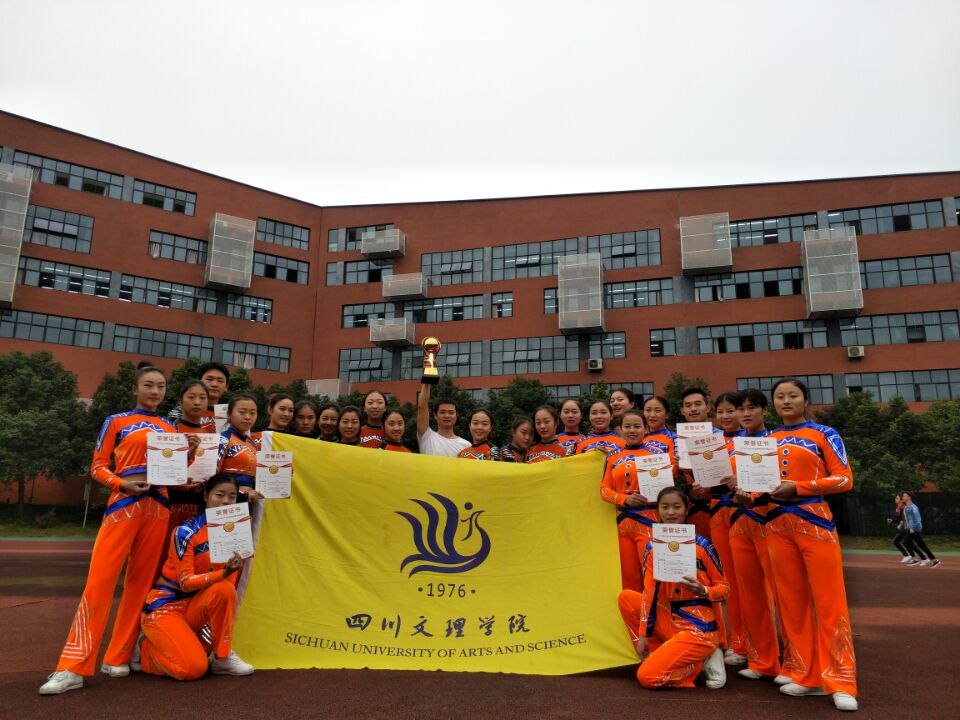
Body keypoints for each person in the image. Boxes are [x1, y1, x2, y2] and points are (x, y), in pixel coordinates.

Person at [40, 366, 183, 695]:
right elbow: (97, 466)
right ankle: (73, 666)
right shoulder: (116, 421)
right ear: (135, 388)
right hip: (123, 506)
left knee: (140, 585)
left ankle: (118, 655)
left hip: (159, 508)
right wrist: (121, 484)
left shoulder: (170, 428)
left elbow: (175, 473)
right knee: (99, 583)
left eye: (161, 386)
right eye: (148, 385)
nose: (155, 391)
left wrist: (188, 453)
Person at [767, 378, 858, 712]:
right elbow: (759, 483)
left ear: (805, 400)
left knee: (830, 603)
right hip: (776, 526)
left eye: (793, 395)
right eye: (780, 396)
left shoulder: (824, 434)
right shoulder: (766, 440)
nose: (786, 401)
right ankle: (807, 676)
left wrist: (799, 487)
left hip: (815, 523)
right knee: (792, 603)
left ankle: (842, 680)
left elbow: (844, 478)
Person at [138, 473, 254, 680]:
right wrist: (224, 572)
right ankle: (147, 651)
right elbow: (186, 583)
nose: (226, 501)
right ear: (206, 496)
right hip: (166, 606)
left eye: (232, 496)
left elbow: (225, 588)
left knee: (225, 589)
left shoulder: (236, 532)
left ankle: (222, 657)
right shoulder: (185, 532)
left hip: (194, 607)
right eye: (220, 494)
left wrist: (229, 571)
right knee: (194, 669)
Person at [617, 487, 729, 690]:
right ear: (657, 511)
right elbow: (649, 593)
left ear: (686, 509)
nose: (671, 512)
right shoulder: (652, 548)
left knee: (647, 677)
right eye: (665, 507)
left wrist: (704, 591)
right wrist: (643, 636)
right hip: (669, 618)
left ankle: (697, 663)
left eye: (677, 507)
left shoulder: (703, 545)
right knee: (626, 598)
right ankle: (660, 655)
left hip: (698, 626)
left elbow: (724, 588)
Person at [727, 388, 792, 684]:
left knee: (782, 594)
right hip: (739, 521)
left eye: (752, 408)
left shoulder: (776, 442)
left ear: (765, 410)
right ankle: (763, 660)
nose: (745, 414)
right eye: (740, 409)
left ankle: (794, 664)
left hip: (770, 521)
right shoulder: (731, 446)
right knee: (750, 593)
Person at [700, 391, 749, 667]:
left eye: (732, 411)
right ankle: (736, 641)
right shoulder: (712, 443)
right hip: (718, 510)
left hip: (749, 512)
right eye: (721, 412)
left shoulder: (754, 439)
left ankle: (759, 645)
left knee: (750, 581)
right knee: (727, 579)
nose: (726, 416)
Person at [600, 409, 662, 591]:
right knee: (629, 578)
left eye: (637, 426)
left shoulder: (656, 454)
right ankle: (633, 610)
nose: (632, 430)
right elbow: (603, 490)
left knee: (653, 577)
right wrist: (625, 499)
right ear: (620, 430)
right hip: (623, 526)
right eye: (627, 426)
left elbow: (665, 490)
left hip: (650, 522)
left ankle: (655, 610)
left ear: (646, 429)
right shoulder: (612, 457)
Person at [678, 387, 717, 544]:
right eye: (688, 405)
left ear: (708, 407)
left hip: (719, 507)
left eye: (698, 404)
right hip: (687, 511)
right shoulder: (675, 440)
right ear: (682, 411)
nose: (693, 409)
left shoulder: (721, 436)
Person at [216, 393, 263, 502]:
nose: (247, 417)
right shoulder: (223, 440)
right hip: (227, 503)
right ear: (229, 414)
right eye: (242, 412)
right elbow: (211, 479)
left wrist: (279, 473)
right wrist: (242, 496)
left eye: (252, 413)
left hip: (249, 502)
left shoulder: (252, 443)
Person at [167, 361, 230, 431]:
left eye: (220, 381)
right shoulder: (180, 412)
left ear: (226, 386)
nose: (214, 384)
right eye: (209, 379)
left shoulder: (229, 414)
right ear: (199, 381)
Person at [416, 382, 470, 457]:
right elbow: (422, 406)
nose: (447, 416)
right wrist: (428, 380)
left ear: (456, 416)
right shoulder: (426, 436)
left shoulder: (466, 446)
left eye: (451, 412)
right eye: (442, 412)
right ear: (435, 415)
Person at [901, 491, 940, 567]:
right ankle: (934, 560)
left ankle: (915, 559)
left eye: (904, 496)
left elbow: (918, 519)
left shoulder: (913, 507)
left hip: (914, 529)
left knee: (906, 542)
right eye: (902, 496)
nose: (902, 497)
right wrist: (903, 525)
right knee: (921, 545)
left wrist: (913, 528)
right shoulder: (906, 507)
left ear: (909, 497)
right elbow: (906, 519)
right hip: (910, 529)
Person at [641, 396, 678, 467]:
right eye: (648, 410)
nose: (652, 415)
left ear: (667, 414)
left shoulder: (674, 438)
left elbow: (674, 467)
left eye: (657, 411)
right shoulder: (638, 439)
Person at [887, 493, 918, 564]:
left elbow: (905, 519)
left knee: (896, 541)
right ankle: (915, 557)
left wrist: (901, 524)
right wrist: (892, 521)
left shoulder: (903, 507)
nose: (895, 499)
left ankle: (908, 555)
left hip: (906, 527)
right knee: (908, 543)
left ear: (901, 500)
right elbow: (899, 519)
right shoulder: (898, 508)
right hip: (904, 527)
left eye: (897, 498)